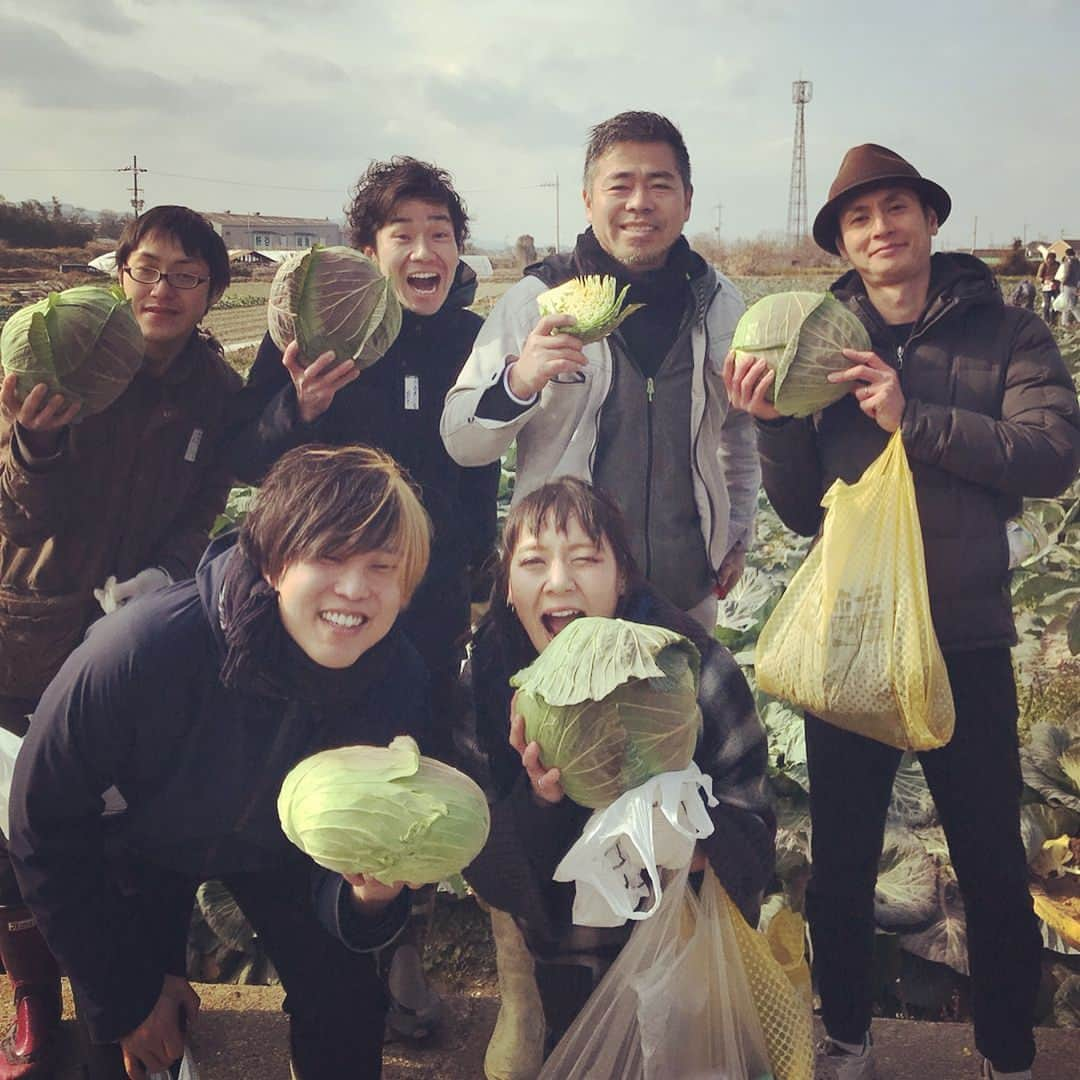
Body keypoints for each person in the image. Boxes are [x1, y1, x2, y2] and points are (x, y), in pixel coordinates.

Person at [724, 143, 1080, 1080]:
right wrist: (771, 424)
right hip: (853, 640)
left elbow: (1050, 456)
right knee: (840, 862)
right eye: (858, 218)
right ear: (843, 240)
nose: (880, 228)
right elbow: (801, 512)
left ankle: (1007, 1053)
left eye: (895, 209)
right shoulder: (821, 342)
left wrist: (909, 415)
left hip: (962, 635)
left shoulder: (1007, 333)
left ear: (928, 220)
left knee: (993, 863)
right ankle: (846, 1037)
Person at [8, 444, 435, 1080]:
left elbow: (357, 857)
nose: (354, 588)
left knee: (347, 1007)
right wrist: (124, 997)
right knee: (131, 1048)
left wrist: (368, 903)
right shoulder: (142, 652)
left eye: (382, 567)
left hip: (285, 853)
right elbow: (41, 818)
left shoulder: (395, 679)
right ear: (271, 562)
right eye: (328, 556)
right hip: (139, 839)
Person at [226, 156, 498, 1039]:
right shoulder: (321, 327)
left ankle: (396, 948)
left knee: (406, 760)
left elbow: (484, 458)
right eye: (403, 235)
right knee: (319, 756)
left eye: (441, 236)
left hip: (428, 596)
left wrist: (483, 558)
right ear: (368, 250)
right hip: (332, 598)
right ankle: (327, 960)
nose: (425, 252)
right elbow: (247, 456)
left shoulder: (473, 337)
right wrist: (296, 410)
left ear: (459, 250)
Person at [0, 205, 241, 1078]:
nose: (162, 289)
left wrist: (169, 574)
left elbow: (206, 497)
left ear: (213, 291)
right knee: (20, 831)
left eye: (185, 274)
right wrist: (35, 442)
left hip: (137, 641)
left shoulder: (216, 390)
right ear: (119, 275)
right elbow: (20, 513)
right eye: (145, 268)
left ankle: (146, 981)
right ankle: (33, 1002)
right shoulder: (65, 360)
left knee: (140, 824)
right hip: (25, 630)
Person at [457, 477, 775, 1068]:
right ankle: (525, 1010)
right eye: (532, 562)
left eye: (585, 559)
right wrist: (541, 804)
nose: (559, 581)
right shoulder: (486, 678)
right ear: (507, 588)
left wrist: (689, 841)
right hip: (561, 960)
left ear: (622, 577)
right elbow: (487, 865)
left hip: (681, 960)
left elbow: (756, 837)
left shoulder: (691, 669)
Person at [440, 111, 759, 632]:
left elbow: (738, 433)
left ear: (687, 200)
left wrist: (736, 533)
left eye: (659, 184)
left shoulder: (720, 303)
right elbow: (460, 439)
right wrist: (519, 383)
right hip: (568, 608)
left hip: (685, 600)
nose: (640, 203)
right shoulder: (537, 302)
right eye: (621, 185)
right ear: (589, 200)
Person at [1058, 246, 1080, 328]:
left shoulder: (1068, 262)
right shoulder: (1078, 262)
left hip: (1068, 285)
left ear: (1066, 254)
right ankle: (1065, 322)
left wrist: (1062, 282)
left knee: (1071, 306)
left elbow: (1067, 274)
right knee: (1066, 305)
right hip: (1076, 285)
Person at [1036, 250, 1060, 324]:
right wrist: (1044, 281)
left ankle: (1053, 319)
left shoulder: (1057, 264)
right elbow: (1038, 277)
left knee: (1056, 304)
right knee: (1047, 304)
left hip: (1055, 286)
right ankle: (1046, 319)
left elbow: (1060, 275)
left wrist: (1056, 281)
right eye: (1049, 259)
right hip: (1046, 287)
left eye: (1052, 259)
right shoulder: (1043, 265)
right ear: (1047, 259)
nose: (1051, 261)